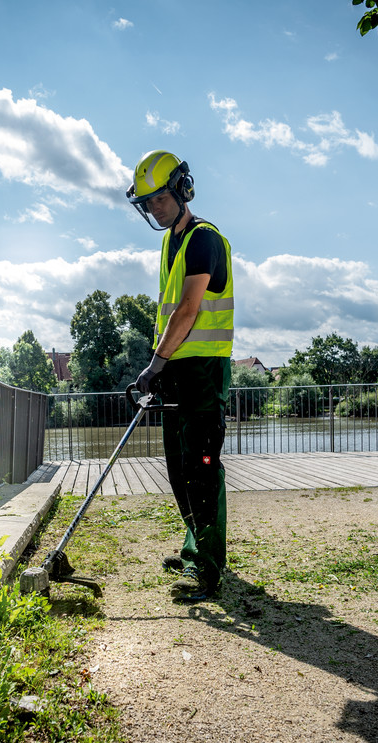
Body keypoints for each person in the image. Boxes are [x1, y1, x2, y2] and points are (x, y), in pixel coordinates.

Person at [125, 150, 233, 602]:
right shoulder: (170, 242)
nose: (156, 208)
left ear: (183, 190)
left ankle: (208, 568)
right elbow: (171, 312)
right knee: (176, 467)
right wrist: (161, 364)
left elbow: (189, 309)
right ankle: (194, 548)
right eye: (149, 202)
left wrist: (155, 363)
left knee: (201, 467)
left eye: (162, 198)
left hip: (204, 370)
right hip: (176, 367)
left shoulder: (204, 239)